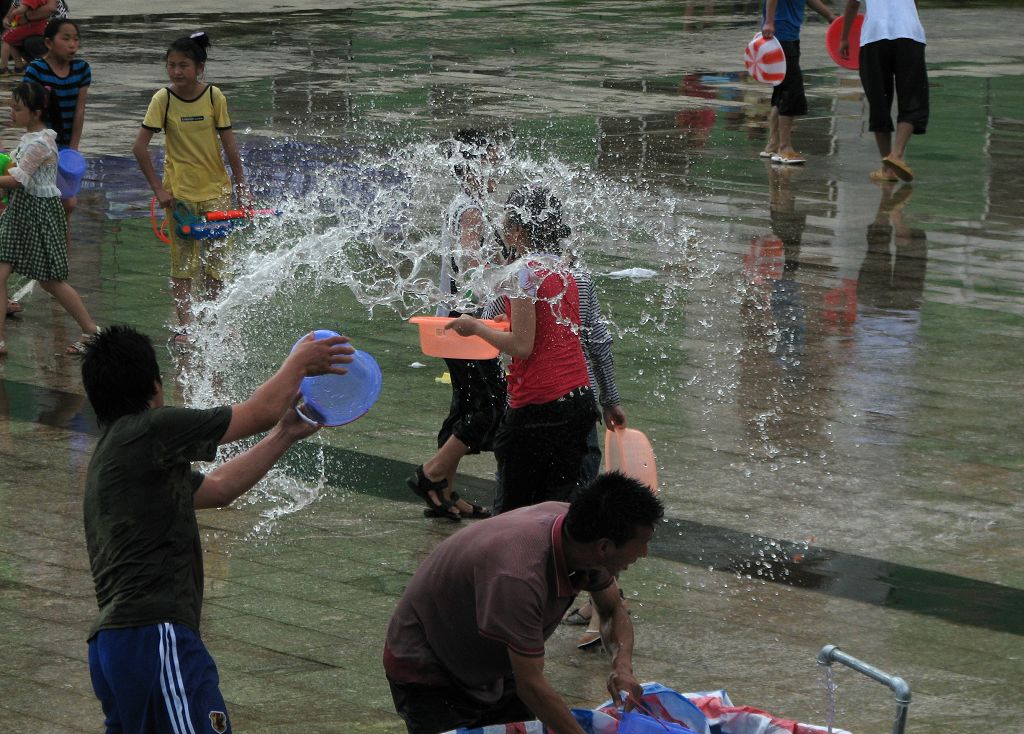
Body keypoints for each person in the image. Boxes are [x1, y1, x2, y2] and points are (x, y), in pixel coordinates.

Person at [81, 324, 354, 733]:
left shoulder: (116, 457)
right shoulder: (150, 429)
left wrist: (285, 434)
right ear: (155, 386)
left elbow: (220, 489)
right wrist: (299, 362)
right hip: (156, 635)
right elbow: (257, 412)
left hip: (115, 646)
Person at [384, 471, 665, 734]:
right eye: (642, 543)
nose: (645, 553)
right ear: (605, 547)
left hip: (491, 663)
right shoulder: (519, 576)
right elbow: (530, 686)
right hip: (429, 666)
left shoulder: (581, 536)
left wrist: (622, 667)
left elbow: (612, 608)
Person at [446, 185, 598, 513]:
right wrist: (509, 321)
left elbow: (522, 347)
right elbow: (550, 330)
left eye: (504, 222)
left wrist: (477, 327)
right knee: (554, 509)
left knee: (511, 513)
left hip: (539, 408)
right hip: (579, 401)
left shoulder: (523, 272)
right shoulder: (563, 268)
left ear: (516, 230)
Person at [407, 130, 506, 522]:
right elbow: (469, 267)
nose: (498, 168)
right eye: (492, 161)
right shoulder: (472, 210)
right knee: (490, 405)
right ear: (471, 167)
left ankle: (444, 493)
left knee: (464, 404)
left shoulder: (463, 203)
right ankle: (430, 475)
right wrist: (502, 281)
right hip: (468, 323)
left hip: (454, 319)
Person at [132, 32, 249, 345]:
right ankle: (185, 326)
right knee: (182, 266)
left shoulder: (214, 97)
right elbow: (140, 148)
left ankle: (213, 322)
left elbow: (230, 146)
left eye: (183, 65)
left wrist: (242, 188)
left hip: (217, 193)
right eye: (171, 65)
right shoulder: (163, 99)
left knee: (216, 266)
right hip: (180, 196)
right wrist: (159, 189)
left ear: (199, 67)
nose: (176, 71)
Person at [0, 81, 98, 357]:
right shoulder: (30, 139)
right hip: (20, 212)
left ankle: (91, 330)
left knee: (50, 281)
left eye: (17, 109)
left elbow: (19, 180)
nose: (12, 113)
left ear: (36, 112)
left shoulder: (42, 143)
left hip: (39, 214)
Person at [839, 0, 928, 183]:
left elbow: (853, 4)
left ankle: (888, 168)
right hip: (909, 33)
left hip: (875, 36)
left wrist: (844, 37)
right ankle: (896, 155)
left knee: (879, 99)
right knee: (912, 95)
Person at [24, 18, 90, 223]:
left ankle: (61, 252)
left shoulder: (81, 69)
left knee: (63, 205)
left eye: (76, 39)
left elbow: (80, 111)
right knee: (67, 202)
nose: (73, 44)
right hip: (42, 144)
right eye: (66, 38)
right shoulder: (36, 70)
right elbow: (28, 112)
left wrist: (73, 149)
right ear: (49, 43)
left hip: (67, 146)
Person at [759, 0, 836, 165]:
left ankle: (772, 145)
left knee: (781, 89)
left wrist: (830, 16)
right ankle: (784, 148)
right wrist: (769, 22)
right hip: (780, 34)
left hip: (788, 35)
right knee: (791, 90)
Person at [0, 0, 46, 73]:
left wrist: (13, 14)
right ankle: (19, 66)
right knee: (11, 40)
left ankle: (3, 67)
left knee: (5, 39)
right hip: (33, 25)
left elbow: (22, 9)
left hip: (31, 26)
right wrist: (8, 18)